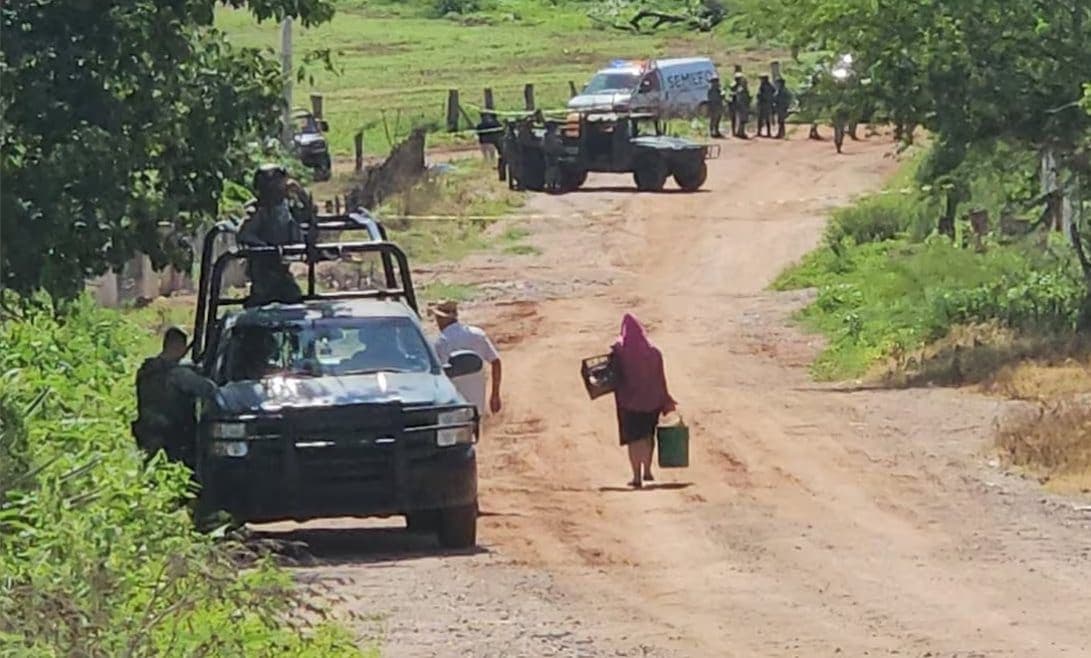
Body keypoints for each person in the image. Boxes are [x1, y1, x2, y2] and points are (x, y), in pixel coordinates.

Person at [132, 327, 218, 468]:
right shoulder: (179, 375)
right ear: (178, 346)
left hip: (147, 434)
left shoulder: (146, 370)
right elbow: (210, 390)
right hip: (175, 440)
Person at [610, 314, 675, 488]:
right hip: (651, 401)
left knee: (634, 440)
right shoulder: (654, 352)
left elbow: (610, 372)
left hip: (628, 402)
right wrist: (665, 398)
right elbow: (660, 378)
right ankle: (647, 469)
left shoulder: (620, 350)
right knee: (648, 436)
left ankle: (637, 476)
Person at [238, 164, 306, 307]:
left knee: (294, 300)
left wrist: (302, 196)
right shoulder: (258, 209)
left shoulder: (286, 206)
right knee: (261, 302)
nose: (281, 188)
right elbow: (244, 234)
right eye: (276, 185)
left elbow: (304, 224)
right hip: (263, 270)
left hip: (282, 266)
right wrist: (266, 248)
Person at [431, 300, 502, 418]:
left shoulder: (441, 343)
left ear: (442, 319)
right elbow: (496, 362)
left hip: (454, 406)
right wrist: (495, 394)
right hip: (478, 404)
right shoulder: (477, 334)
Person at [542, 121, 565, 194]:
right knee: (552, 170)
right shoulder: (550, 136)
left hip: (551, 154)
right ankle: (550, 185)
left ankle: (551, 184)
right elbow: (555, 145)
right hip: (551, 154)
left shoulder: (547, 136)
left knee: (552, 170)